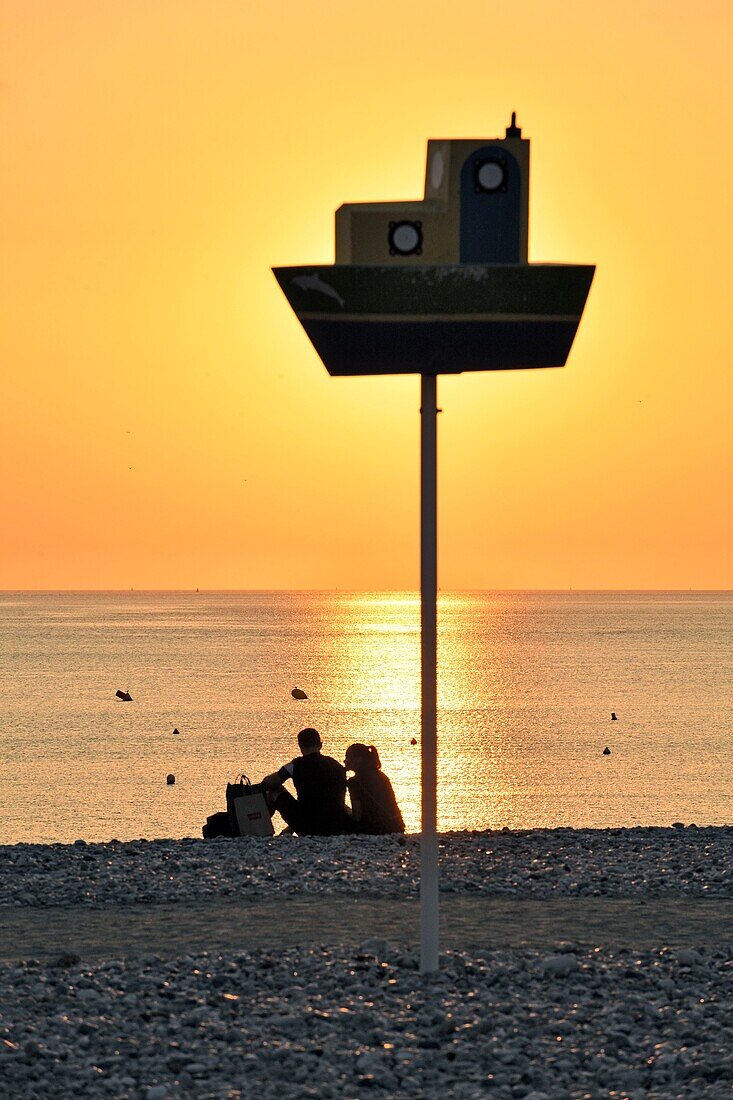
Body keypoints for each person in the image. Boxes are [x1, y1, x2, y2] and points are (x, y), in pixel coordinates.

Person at [262, 727, 349, 836]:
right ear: (320, 744)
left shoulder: (295, 765)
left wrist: (264, 781)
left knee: (274, 791)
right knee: (333, 801)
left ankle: (263, 832)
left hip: (307, 826)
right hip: (335, 827)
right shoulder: (338, 766)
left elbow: (270, 783)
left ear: (300, 745)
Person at [345, 743, 405, 835]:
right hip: (394, 826)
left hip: (372, 828)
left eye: (348, 757)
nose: (345, 761)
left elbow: (357, 816)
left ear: (359, 760)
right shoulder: (382, 776)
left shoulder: (354, 782)